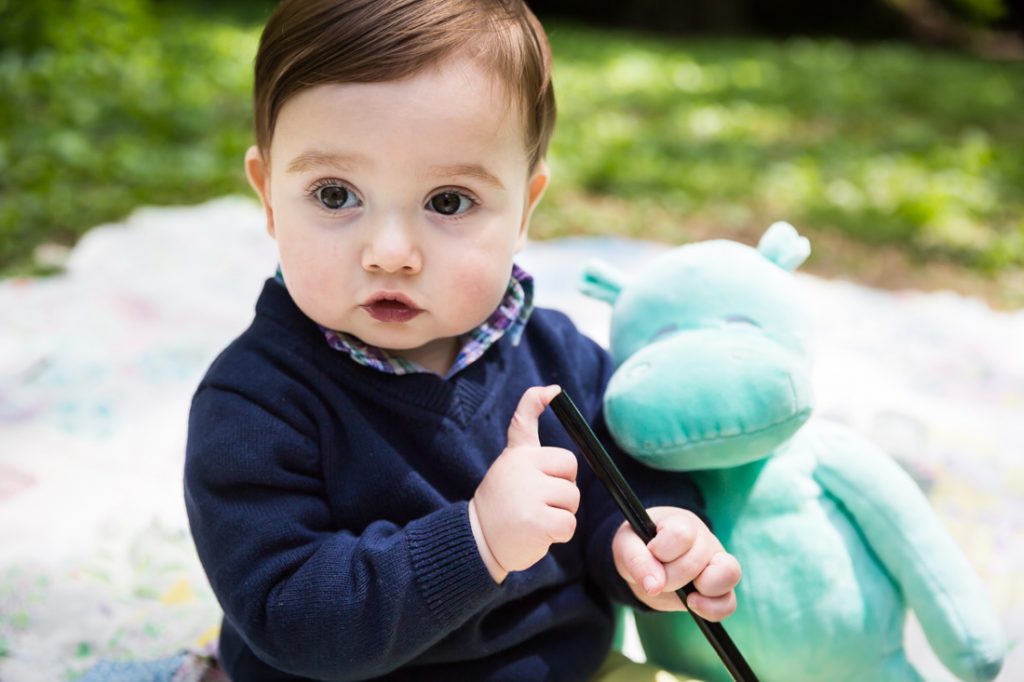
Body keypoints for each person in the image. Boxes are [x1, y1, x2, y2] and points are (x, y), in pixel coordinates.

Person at [183, 1, 742, 679]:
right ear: (269, 197)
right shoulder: (253, 405)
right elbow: (292, 616)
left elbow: (624, 483)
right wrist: (477, 540)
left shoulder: (554, 357)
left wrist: (648, 537)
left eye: (448, 201)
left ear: (525, 209)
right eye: (335, 195)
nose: (390, 253)